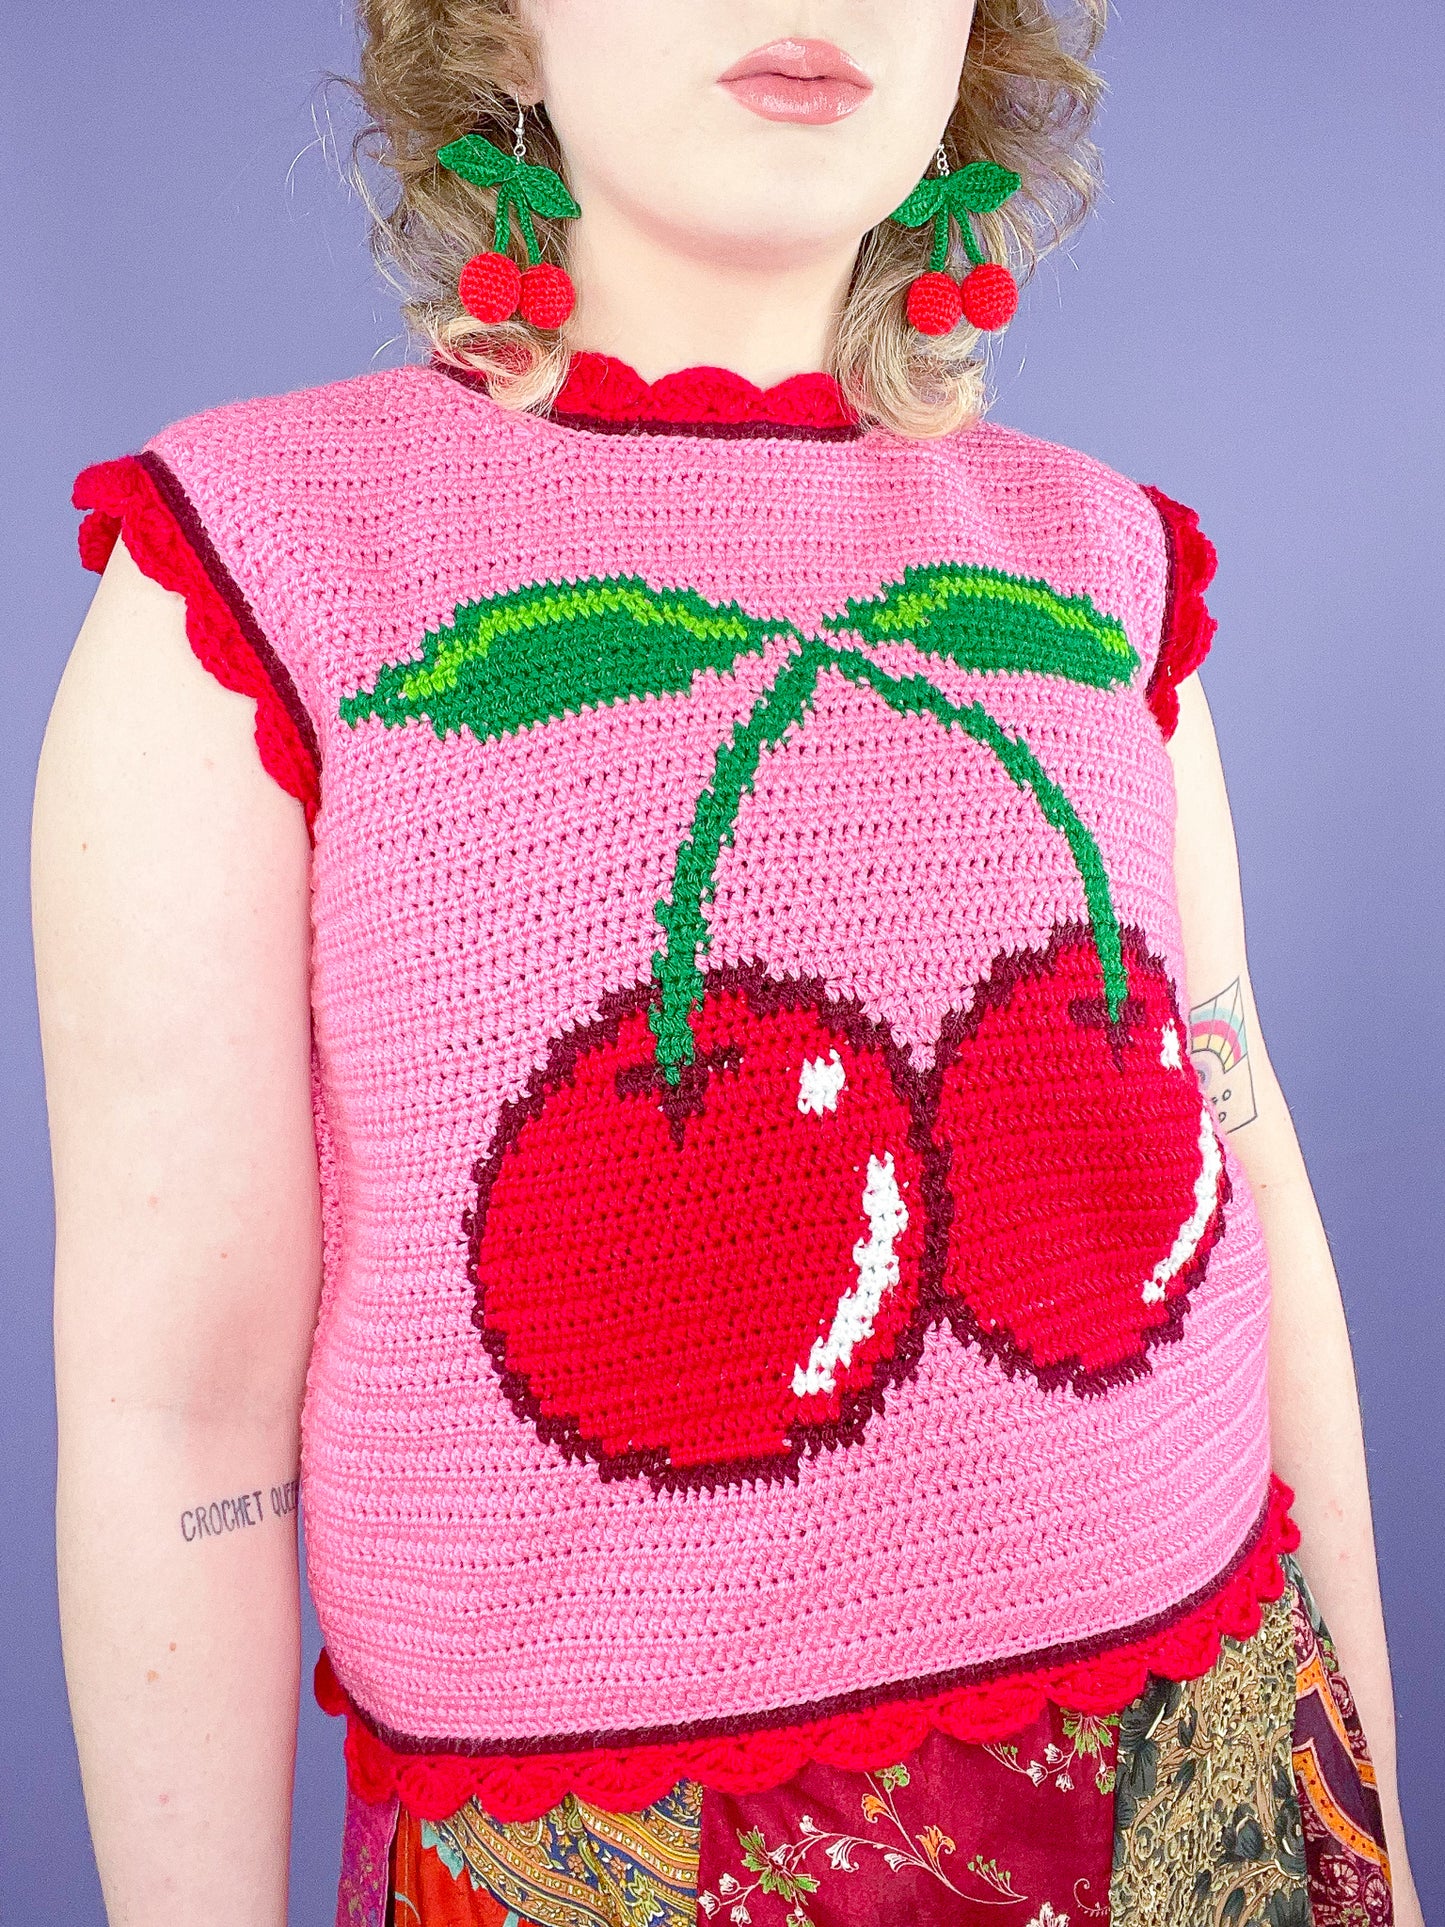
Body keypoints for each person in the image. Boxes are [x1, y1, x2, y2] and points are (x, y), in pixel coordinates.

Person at [32, 3, 1423, 1924]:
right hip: (602, 1855)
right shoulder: (259, 566)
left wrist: (1373, 1817)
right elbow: (176, 1407)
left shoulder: (1097, 567)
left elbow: (1242, 1188)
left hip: (1213, 1780)